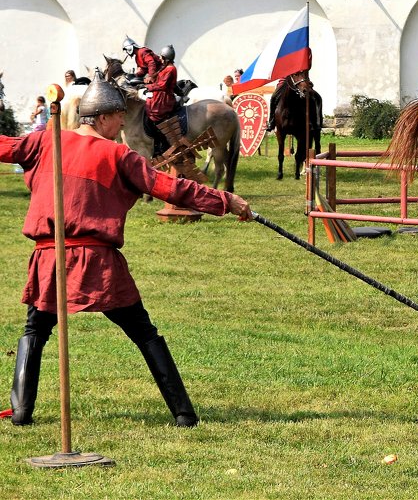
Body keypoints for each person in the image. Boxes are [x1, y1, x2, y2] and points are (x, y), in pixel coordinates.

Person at [1, 77, 252, 427]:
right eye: (119, 116)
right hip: (90, 260)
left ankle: (23, 412)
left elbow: (4, 146)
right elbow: (168, 187)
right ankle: (183, 414)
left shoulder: (47, 141)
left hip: (54, 259)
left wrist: (222, 201)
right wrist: (226, 200)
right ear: (102, 118)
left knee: (35, 331)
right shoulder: (108, 152)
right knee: (142, 332)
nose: (123, 123)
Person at [142, 45, 179, 157]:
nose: (160, 59)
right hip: (158, 96)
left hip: (164, 99)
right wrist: (148, 80)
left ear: (166, 58)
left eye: (162, 57)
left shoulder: (171, 69)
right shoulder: (165, 67)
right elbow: (156, 78)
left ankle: (160, 143)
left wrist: (149, 87)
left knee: (155, 114)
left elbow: (162, 85)